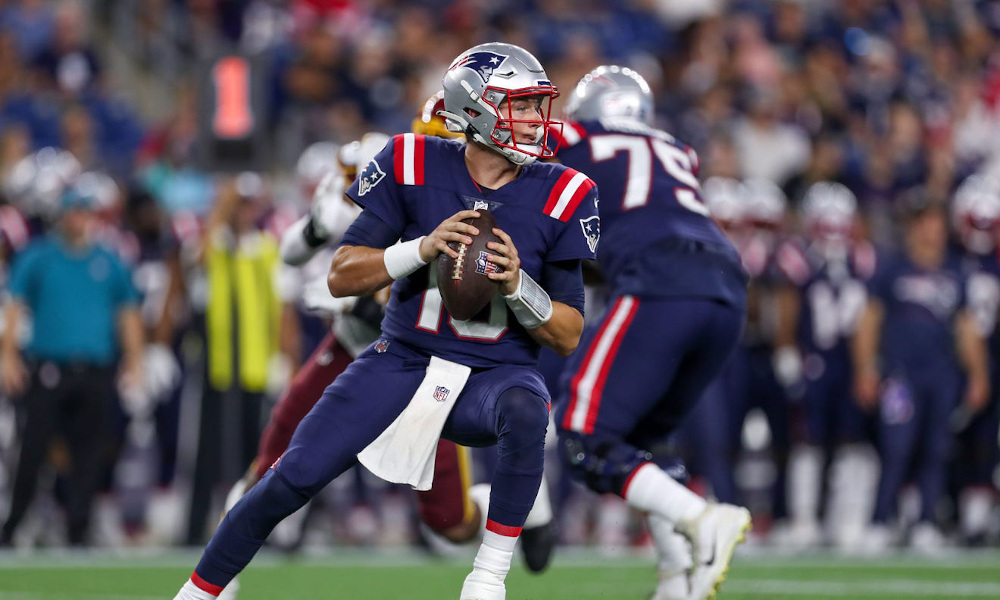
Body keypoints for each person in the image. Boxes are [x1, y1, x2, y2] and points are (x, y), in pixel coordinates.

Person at [172, 42, 595, 600]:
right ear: (476, 110)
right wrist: (420, 249)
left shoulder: (566, 190)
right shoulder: (410, 160)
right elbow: (341, 276)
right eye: (518, 105)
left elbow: (566, 334)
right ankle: (197, 594)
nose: (534, 119)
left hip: (494, 374)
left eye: (535, 104)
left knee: (526, 409)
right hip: (400, 360)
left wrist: (519, 286)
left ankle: (487, 580)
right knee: (287, 477)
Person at [549, 66, 751, 600]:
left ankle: (701, 517)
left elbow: (533, 156)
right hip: (727, 287)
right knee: (640, 440)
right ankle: (676, 579)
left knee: (581, 436)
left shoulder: (572, 138)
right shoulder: (677, 150)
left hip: (660, 281)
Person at [0, 178, 144, 547]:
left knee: (89, 455)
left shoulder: (108, 260)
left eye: (85, 211)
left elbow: (127, 313)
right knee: (33, 451)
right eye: (73, 211)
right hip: (50, 368)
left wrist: (135, 362)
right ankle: (14, 523)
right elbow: (14, 306)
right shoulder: (39, 256)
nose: (79, 218)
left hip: (95, 370)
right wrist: (7, 354)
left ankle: (78, 529)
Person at [852, 191, 989, 552]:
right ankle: (879, 521)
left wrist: (978, 375)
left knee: (936, 449)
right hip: (901, 376)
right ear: (912, 228)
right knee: (896, 447)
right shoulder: (893, 268)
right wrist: (865, 367)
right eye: (924, 223)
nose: (930, 231)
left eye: (936, 223)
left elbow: (966, 328)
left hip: (942, 376)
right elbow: (869, 320)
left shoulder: (956, 272)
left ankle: (926, 522)